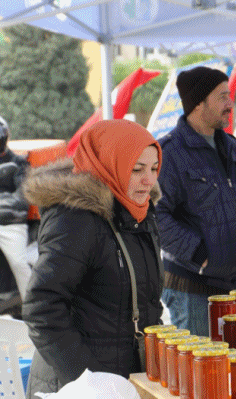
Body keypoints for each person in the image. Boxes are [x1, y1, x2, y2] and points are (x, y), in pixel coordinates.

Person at [21, 120, 164, 397]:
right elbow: (42, 308)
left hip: (125, 380)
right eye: (137, 169)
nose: (149, 180)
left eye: (154, 168)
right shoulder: (75, 219)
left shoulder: (140, 213)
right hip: (78, 385)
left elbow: (147, 303)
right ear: (110, 164)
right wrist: (89, 382)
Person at [157, 66, 236, 336]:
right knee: (202, 363)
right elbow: (155, 215)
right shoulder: (170, 153)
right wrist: (199, 254)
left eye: (230, 96)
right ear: (198, 104)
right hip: (194, 290)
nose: (230, 104)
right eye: (222, 97)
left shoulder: (233, 147)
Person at [0, 116, 30, 301]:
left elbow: (22, 197)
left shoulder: (19, 163)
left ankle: (34, 306)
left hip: (11, 224)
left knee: (19, 263)